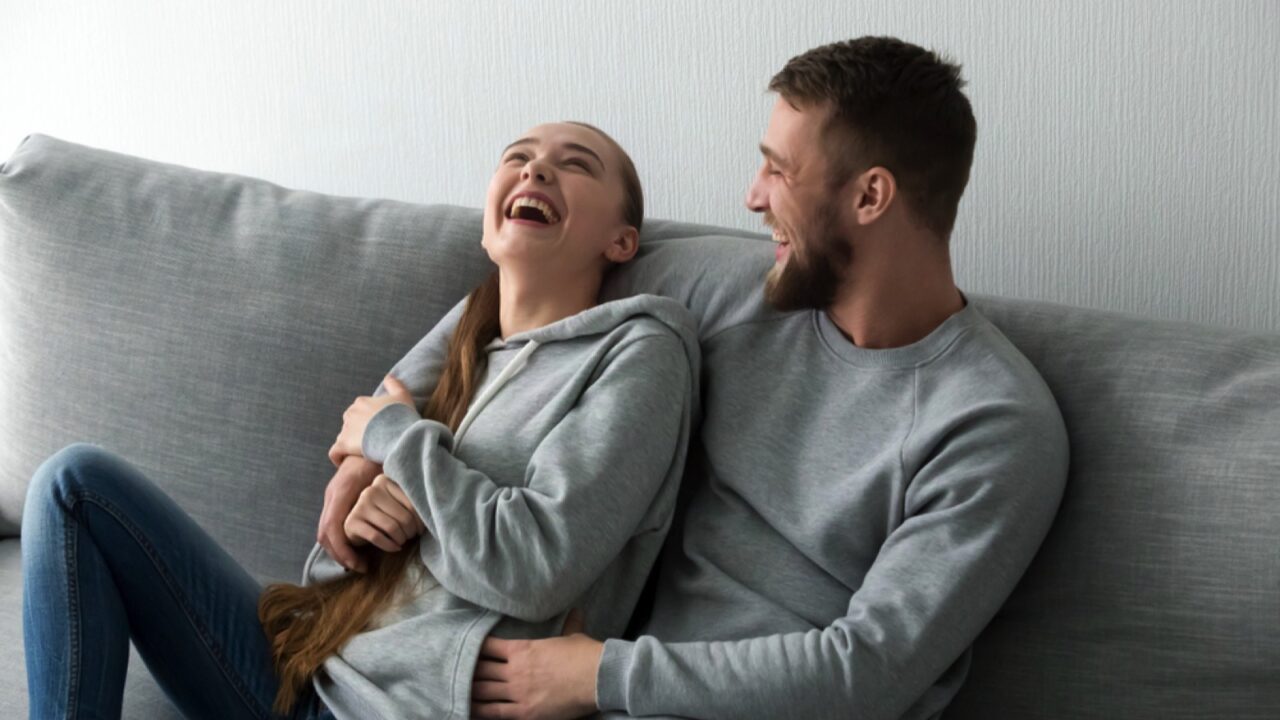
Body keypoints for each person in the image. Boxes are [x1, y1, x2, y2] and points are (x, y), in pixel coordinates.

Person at [443, 37, 1070, 719]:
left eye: (778, 171)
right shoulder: (737, 287)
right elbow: (531, 282)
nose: (751, 196)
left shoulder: (994, 424)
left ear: (870, 196)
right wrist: (381, 436)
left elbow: (869, 674)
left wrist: (601, 674)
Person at [22, 121, 700, 720]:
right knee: (73, 485)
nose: (536, 168)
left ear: (622, 240)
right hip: (307, 659)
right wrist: (367, 467)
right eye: (517, 156)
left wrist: (403, 456)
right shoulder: (473, 333)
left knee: (73, 484)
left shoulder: (642, 350)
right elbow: (369, 416)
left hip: (395, 706)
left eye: (576, 163)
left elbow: (533, 568)